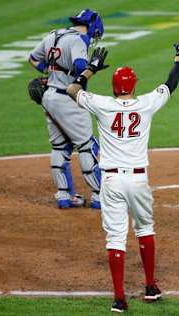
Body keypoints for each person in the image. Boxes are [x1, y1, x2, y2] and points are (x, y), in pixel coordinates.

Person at [67, 31, 179, 313]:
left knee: (115, 238)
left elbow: (72, 90)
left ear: (113, 87)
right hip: (138, 179)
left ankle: (119, 298)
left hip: (111, 181)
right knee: (145, 229)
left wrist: (89, 69)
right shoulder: (145, 103)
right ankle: (150, 286)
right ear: (134, 85)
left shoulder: (102, 104)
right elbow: (170, 84)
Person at [28, 9, 104, 209]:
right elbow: (80, 66)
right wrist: (91, 68)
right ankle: (100, 196)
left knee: (60, 146)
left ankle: (64, 195)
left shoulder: (53, 34)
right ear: (92, 26)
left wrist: (52, 71)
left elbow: (33, 58)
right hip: (68, 99)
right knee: (88, 145)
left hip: (49, 97)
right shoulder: (78, 40)